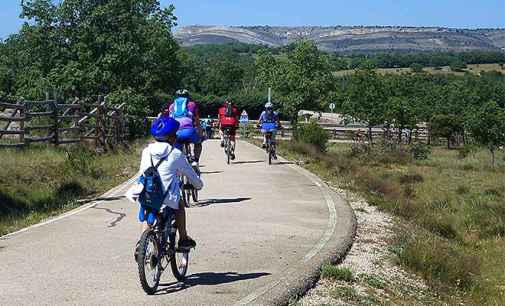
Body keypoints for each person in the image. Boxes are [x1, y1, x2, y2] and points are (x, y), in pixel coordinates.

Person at [128, 116, 203, 261]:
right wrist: (198, 185)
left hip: (147, 194)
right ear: (171, 137)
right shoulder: (176, 154)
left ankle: (141, 244)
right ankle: (183, 238)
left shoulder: (146, 151)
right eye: (175, 134)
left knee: (150, 211)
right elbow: (190, 174)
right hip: (168, 198)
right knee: (180, 204)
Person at [163, 89, 203, 166]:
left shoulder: (171, 106)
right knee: (198, 143)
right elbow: (197, 120)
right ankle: (195, 161)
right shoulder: (192, 104)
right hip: (188, 130)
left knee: (176, 149)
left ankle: (178, 165)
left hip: (175, 132)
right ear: (188, 96)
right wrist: (200, 131)